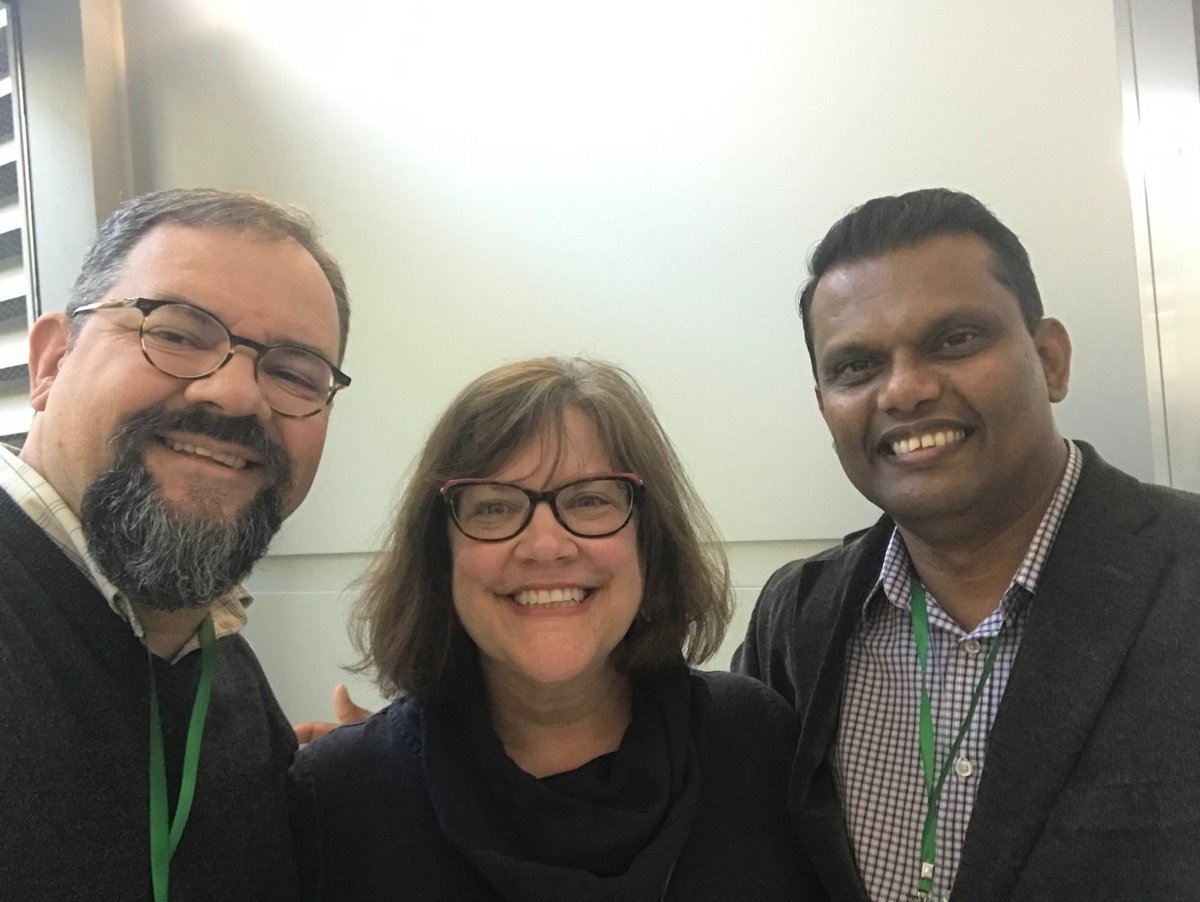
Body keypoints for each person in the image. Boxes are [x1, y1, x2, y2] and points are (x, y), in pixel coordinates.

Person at [733, 187, 1200, 901]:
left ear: (1050, 360)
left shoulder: (1184, 575)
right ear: (826, 406)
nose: (907, 390)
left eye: (954, 340)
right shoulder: (797, 617)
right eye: (857, 366)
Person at [288, 357, 824, 901]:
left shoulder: (756, 741)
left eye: (590, 499)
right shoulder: (341, 796)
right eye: (494, 507)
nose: (545, 546)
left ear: (649, 538)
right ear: (440, 554)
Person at [0, 188, 351, 900]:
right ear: (51, 363)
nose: (235, 394)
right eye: (179, 333)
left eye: (292, 372)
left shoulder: (222, 670)